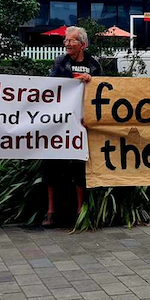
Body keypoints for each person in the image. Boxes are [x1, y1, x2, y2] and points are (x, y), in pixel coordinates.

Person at [42, 26, 102, 227]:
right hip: (60, 122)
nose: (66, 44)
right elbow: (54, 86)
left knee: (79, 166)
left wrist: (91, 82)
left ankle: (79, 211)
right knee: (51, 163)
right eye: (66, 41)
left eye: (71, 41)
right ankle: (50, 211)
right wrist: (76, 80)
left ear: (83, 44)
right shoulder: (60, 62)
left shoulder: (94, 64)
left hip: (83, 124)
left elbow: (103, 90)